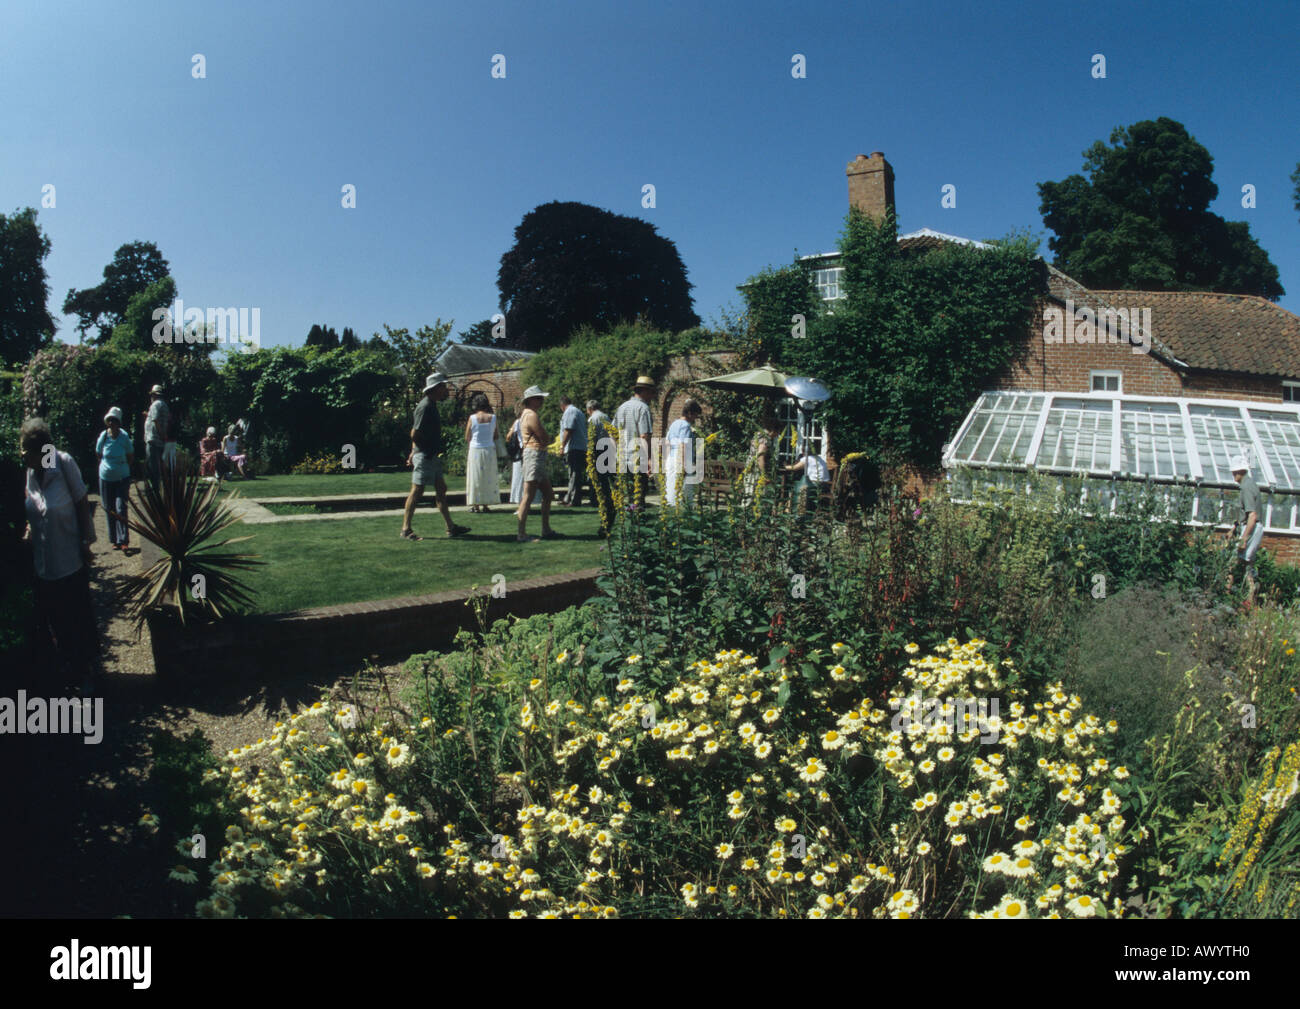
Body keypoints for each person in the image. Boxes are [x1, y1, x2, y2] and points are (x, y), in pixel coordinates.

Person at [21, 418, 98, 692]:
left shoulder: (63, 463)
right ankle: (68, 671)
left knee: (77, 617)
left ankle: (87, 672)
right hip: (43, 564)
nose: (21, 455)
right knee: (55, 621)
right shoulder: (31, 472)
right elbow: (35, 507)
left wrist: (86, 542)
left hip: (69, 560)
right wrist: (31, 528)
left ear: (40, 450)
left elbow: (81, 501)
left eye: (25, 450)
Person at [401, 373, 468, 541]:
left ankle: (451, 527)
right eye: (443, 386)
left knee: (441, 490)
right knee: (417, 491)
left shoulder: (432, 405)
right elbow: (414, 433)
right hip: (425, 456)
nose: (445, 390)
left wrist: (416, 450)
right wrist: (420, 450)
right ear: (435, 388)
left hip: (430, 455)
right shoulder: (425, 407)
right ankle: (406, 529)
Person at [515, 386, 558, 542]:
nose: (542, 401)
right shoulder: (531, 415)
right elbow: (543, 437)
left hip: (535, 456)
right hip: (534, 455)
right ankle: (521, 533)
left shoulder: (526, 414)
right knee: (528, 496)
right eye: (539, 398)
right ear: (531, 400)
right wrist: (549, 440)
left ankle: (545, 529)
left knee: (548, 494)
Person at [95, 407, 134, 551]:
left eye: (114, 421)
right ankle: (115, 540)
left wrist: (121, 468)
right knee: (109, 508)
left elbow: (130, 456)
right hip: (105, 478)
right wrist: (107, 467)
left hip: (122, 478)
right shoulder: (103, 437)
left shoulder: (124, 437)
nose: (112, 423)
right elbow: (99, 453)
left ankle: (124, 540)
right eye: (110, 420)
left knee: (120, 507)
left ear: (119, 422)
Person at [614, 376, 656, 509]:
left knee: (627, 494)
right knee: (639, 496)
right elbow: (644, 436)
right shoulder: (643, 408)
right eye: (651, 392)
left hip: (622, 458)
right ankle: (638, 521)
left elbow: (612, 432)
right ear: (644, 391)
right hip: (638, 458)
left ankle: (628, 520)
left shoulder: (622, 407)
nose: (652, 396)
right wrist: (649, 459)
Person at [1230, 454, 1263, 602]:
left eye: (1234, 472)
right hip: (1252, 527)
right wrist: (1234, 527)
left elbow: (1252, 516)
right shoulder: (1248, 485)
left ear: (1238, 472)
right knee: (1247, 567)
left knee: (1230, 563)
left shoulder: (1247, 488)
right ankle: (1250, 599)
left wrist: (1244, 539)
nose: (1232, 475)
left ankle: (1225, 594)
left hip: (1251, 528)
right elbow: (1245, 514)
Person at [464, 393, 499, 514]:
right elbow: (496, 435)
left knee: (475, 477)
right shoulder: (493, 417)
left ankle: (475, 505)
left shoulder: (472, 418)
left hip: (475, 449)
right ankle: (486, 504)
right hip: (489, 449)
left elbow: (467, 436)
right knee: (488, 477)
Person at [740, 403, 781, 506]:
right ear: (773, 430)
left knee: (749, 494)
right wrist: (764, 475)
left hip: (751, 468)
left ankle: (745, 518)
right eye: (778, 432)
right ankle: (745, 519)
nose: (778, 435)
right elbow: (760, 457)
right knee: (753, 497)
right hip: (756, 472)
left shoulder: (758, 434)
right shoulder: (765, 439)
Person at [664, 399, 703, 507]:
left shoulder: (674, 424)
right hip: (682, 459)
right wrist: (684, 465)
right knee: (685, 489)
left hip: (671, 459)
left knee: (672, 486)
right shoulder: (685, 425)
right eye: (695, 415)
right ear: (690, 413)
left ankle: (671, 507)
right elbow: (683, 445)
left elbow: (667, 443)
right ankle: (684, 511)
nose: (695, 418)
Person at [783, 427, 832, 513]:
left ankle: (790, 510)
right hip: (826, 485)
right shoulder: (819, 458)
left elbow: (794, 468)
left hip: (815, 485)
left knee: (795, 487)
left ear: (804, 451)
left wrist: (785, 466)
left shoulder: (807, 458)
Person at [586, 400, 615, 536]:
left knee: (600, 484)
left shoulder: (593, 419)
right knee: (607, 482)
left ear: (590, 409)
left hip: (598, 451)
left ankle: (600, 503)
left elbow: (591, 439)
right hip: (608, 450)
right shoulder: (606, 416)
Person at [559, 394, 588, 507]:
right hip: (579, 447)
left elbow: (569, 429)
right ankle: (569, 497)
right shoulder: (577, 411)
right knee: (573, 474)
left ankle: (574, 500)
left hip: (575, 447)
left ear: (562, 406)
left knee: (575, 474)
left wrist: (562, 445)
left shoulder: (570, 412)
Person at [144, 384, 169, 490]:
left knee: (153, 465)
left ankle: (155, 488)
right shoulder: (162, 404)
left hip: (154, 439)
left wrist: (161, 434)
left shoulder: (155, 404)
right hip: (158, 440)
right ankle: (157, 487)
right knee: (157, 465)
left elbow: (155, 421)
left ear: (154, 395)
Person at [506, 415, 524, 504]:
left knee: (518, 479)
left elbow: (508, 437)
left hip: (520, 453)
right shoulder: (534, 419)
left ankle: (520, 502)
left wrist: (510, 431)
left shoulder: (518, 422)